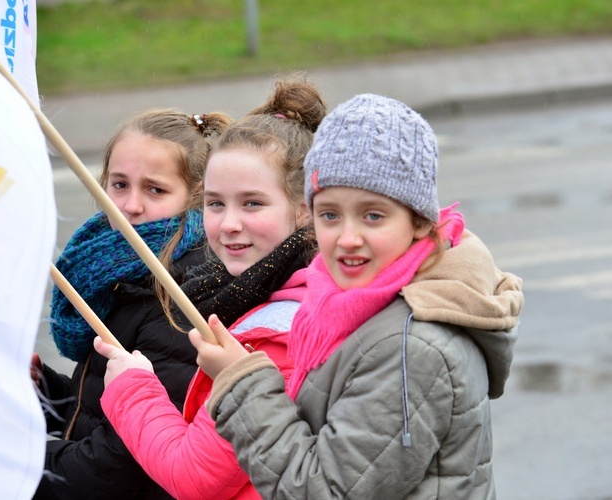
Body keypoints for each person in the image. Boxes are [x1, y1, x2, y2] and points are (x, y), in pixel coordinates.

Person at [189, 93, 525, 499]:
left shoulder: (411, 348)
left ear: (419, 221)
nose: (348, 239)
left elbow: (326, 491)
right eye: (330, 214)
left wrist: (240, 384)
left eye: (373, 215)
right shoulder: (351, 305)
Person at [92, 75, 327, 499]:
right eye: (216, 203)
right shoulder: (252, 295)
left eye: (252, 203)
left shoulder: (279, 332)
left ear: (305, 210)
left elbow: (196, 477)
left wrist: (133, 387)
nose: (229, 224)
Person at [31, 108, 231, 500]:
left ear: (195, 197)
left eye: (155, 189)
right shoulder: (117, 270)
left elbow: (116, 465)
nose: (130, 205)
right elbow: (105, 402)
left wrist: (18, 456)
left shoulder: (181, 295)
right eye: (119, 184)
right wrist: (46, 391)